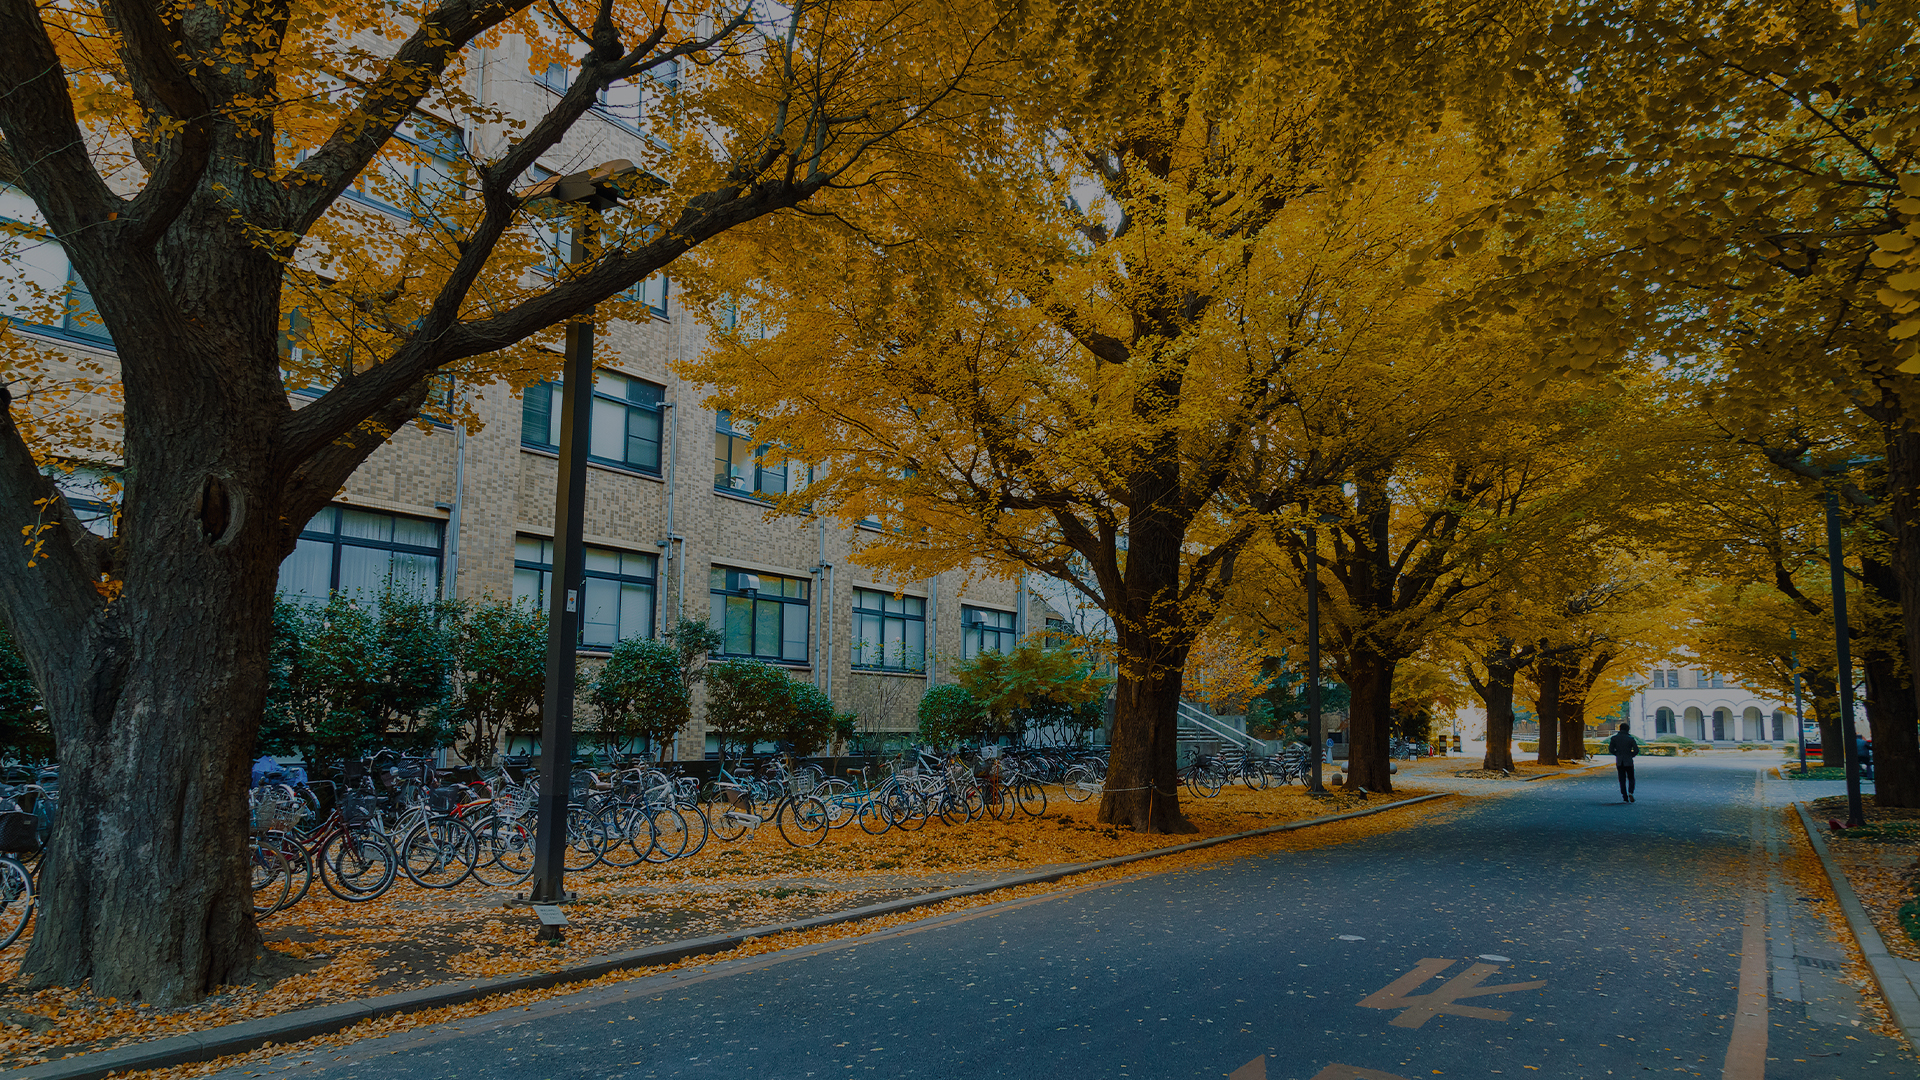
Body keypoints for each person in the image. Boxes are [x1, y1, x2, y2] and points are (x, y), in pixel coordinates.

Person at [1607, 722, 1639, 803]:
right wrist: (1631, 755)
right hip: (1628, 760)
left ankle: (1624, 796)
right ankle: (1631, 792)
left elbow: (1611, 749)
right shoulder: (1630, 738)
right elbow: (1636, 750)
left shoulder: (1614, 738)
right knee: (1631, 777)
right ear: (1628, 729)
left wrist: (1617, 754)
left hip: (1620, 761)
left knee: (1622, 779)